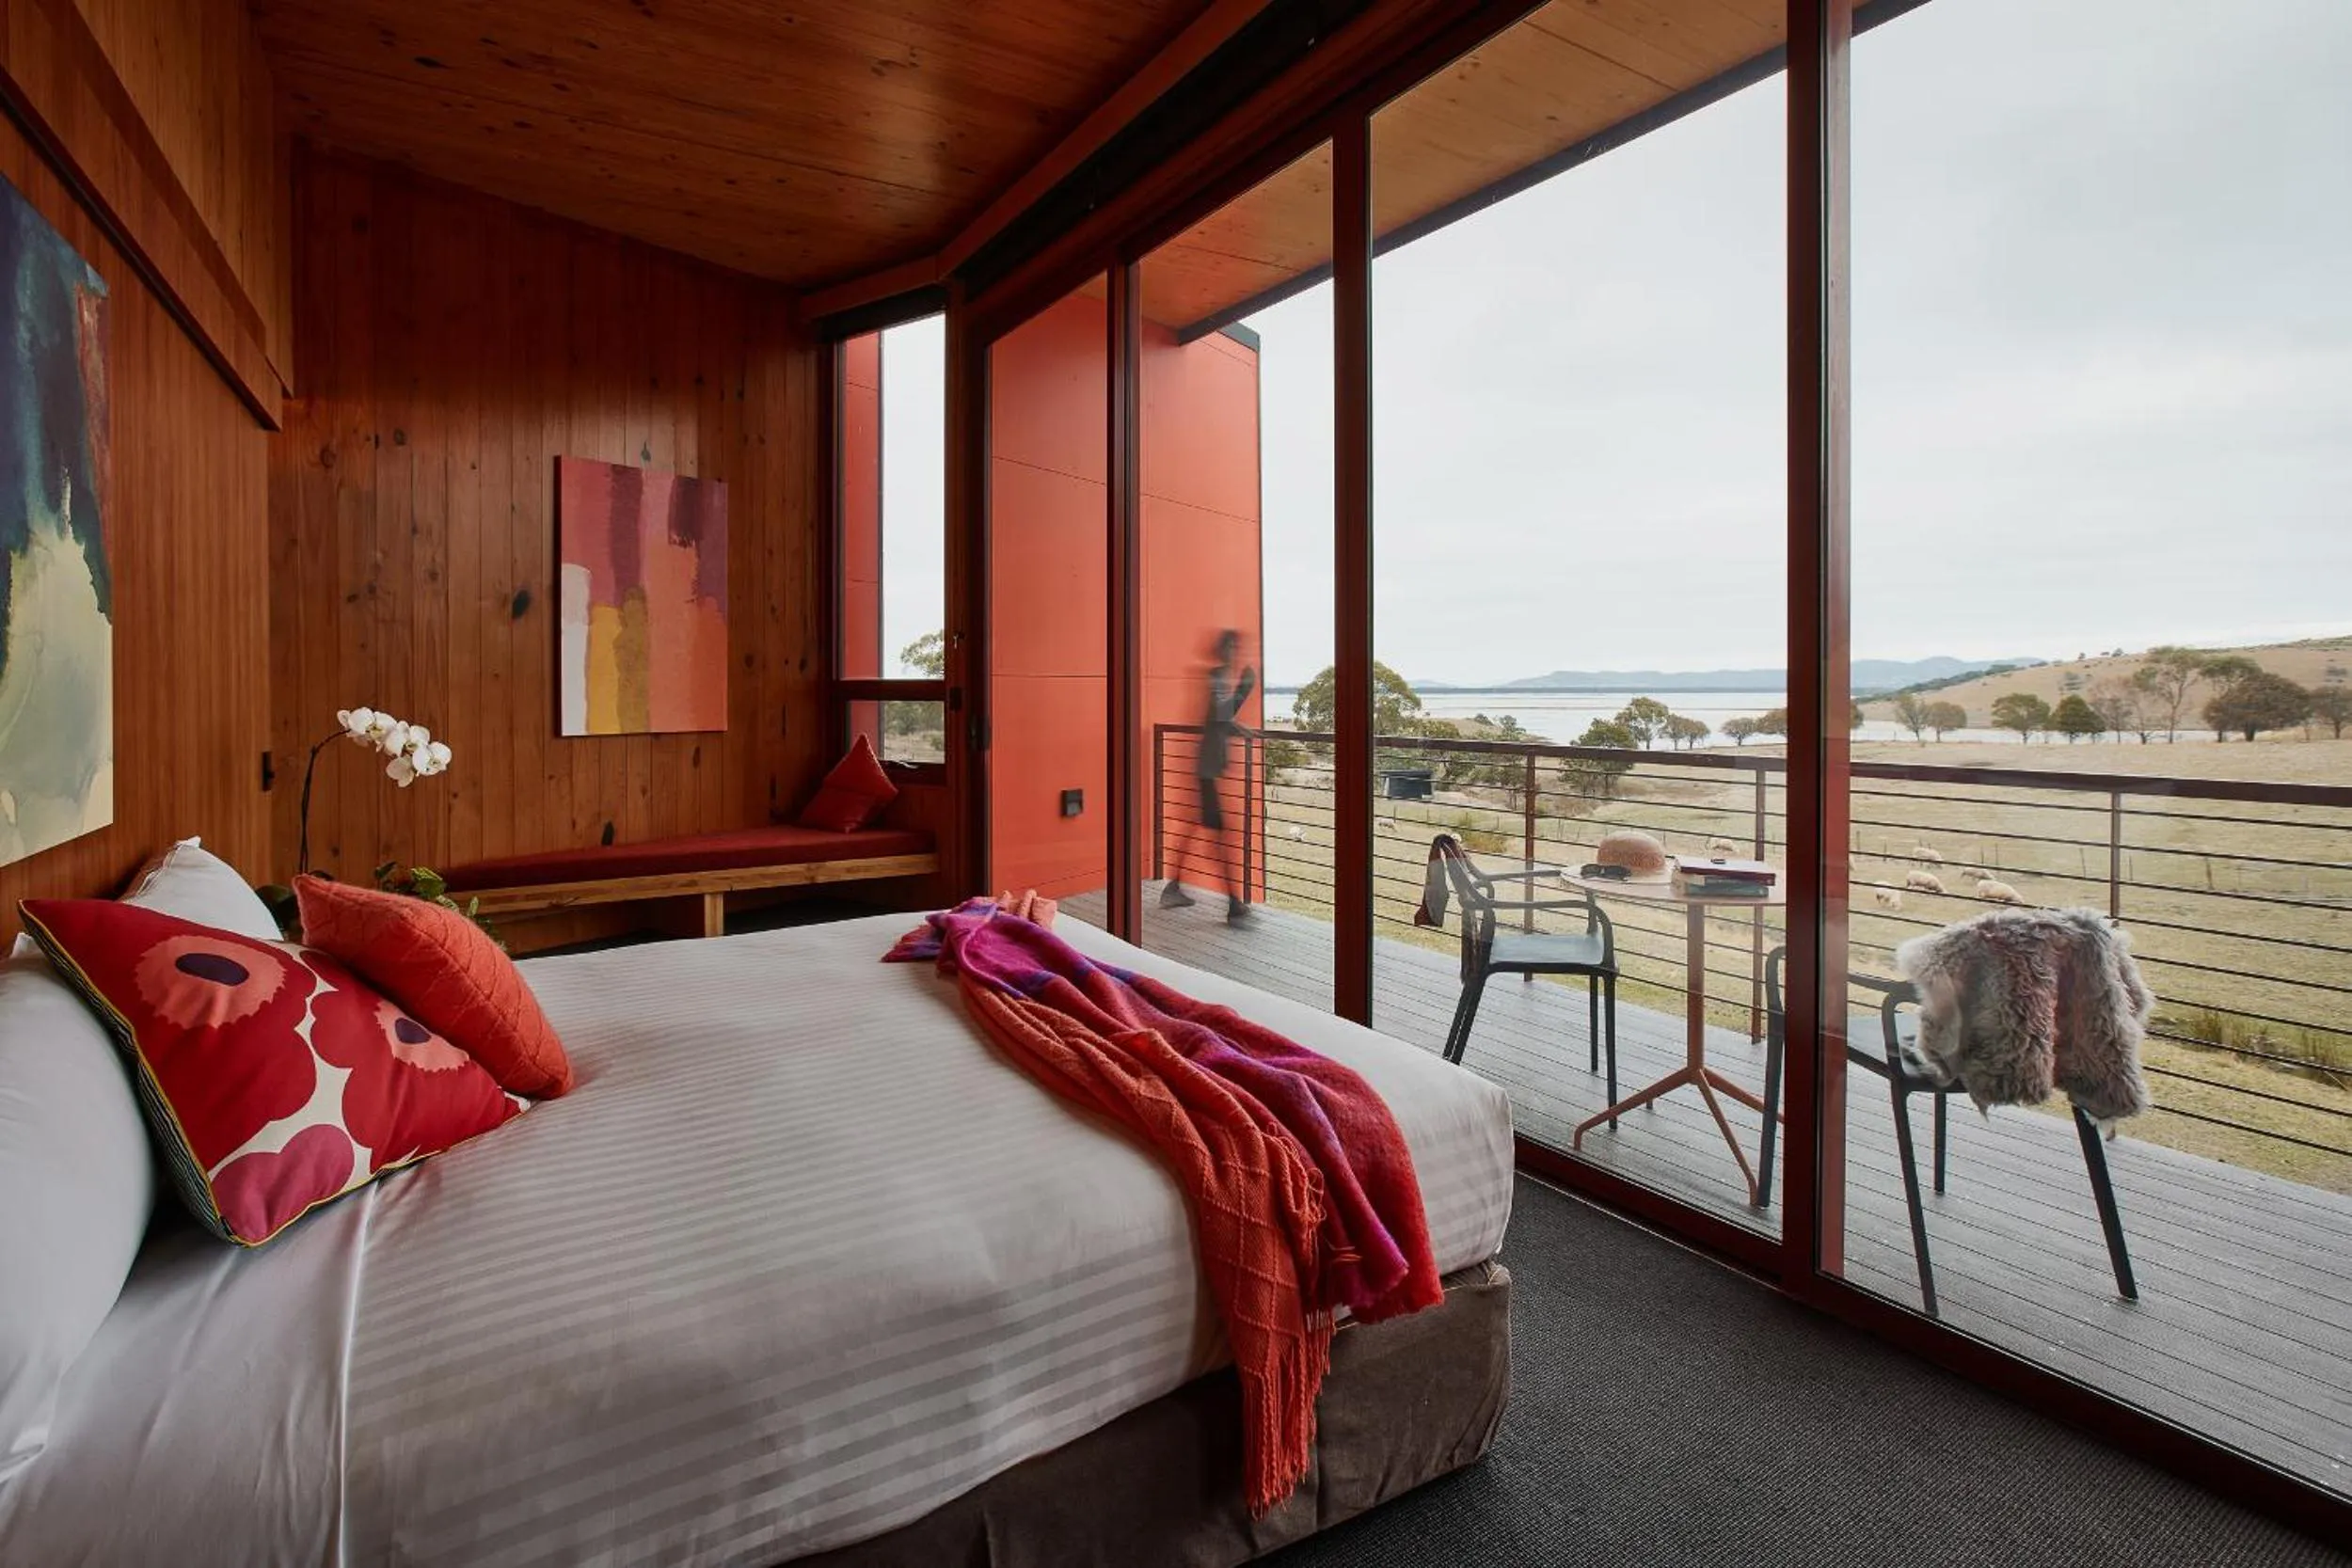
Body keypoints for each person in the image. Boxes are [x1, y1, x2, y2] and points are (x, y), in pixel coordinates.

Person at [1161, 629, 1256, 924]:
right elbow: (1218, 713)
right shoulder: (1216, 677)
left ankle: (1174, 887)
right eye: (1230, 646)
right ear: (1221, 650)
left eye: (1235, 647)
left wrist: (1236, 727)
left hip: (1208, 770)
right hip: (1207, 770)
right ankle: (1233, 905)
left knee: (1200, 830)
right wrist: (1244, 689)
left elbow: (1218, 719)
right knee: (1218, 837)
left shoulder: (1221, 678)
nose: (1233, 652)